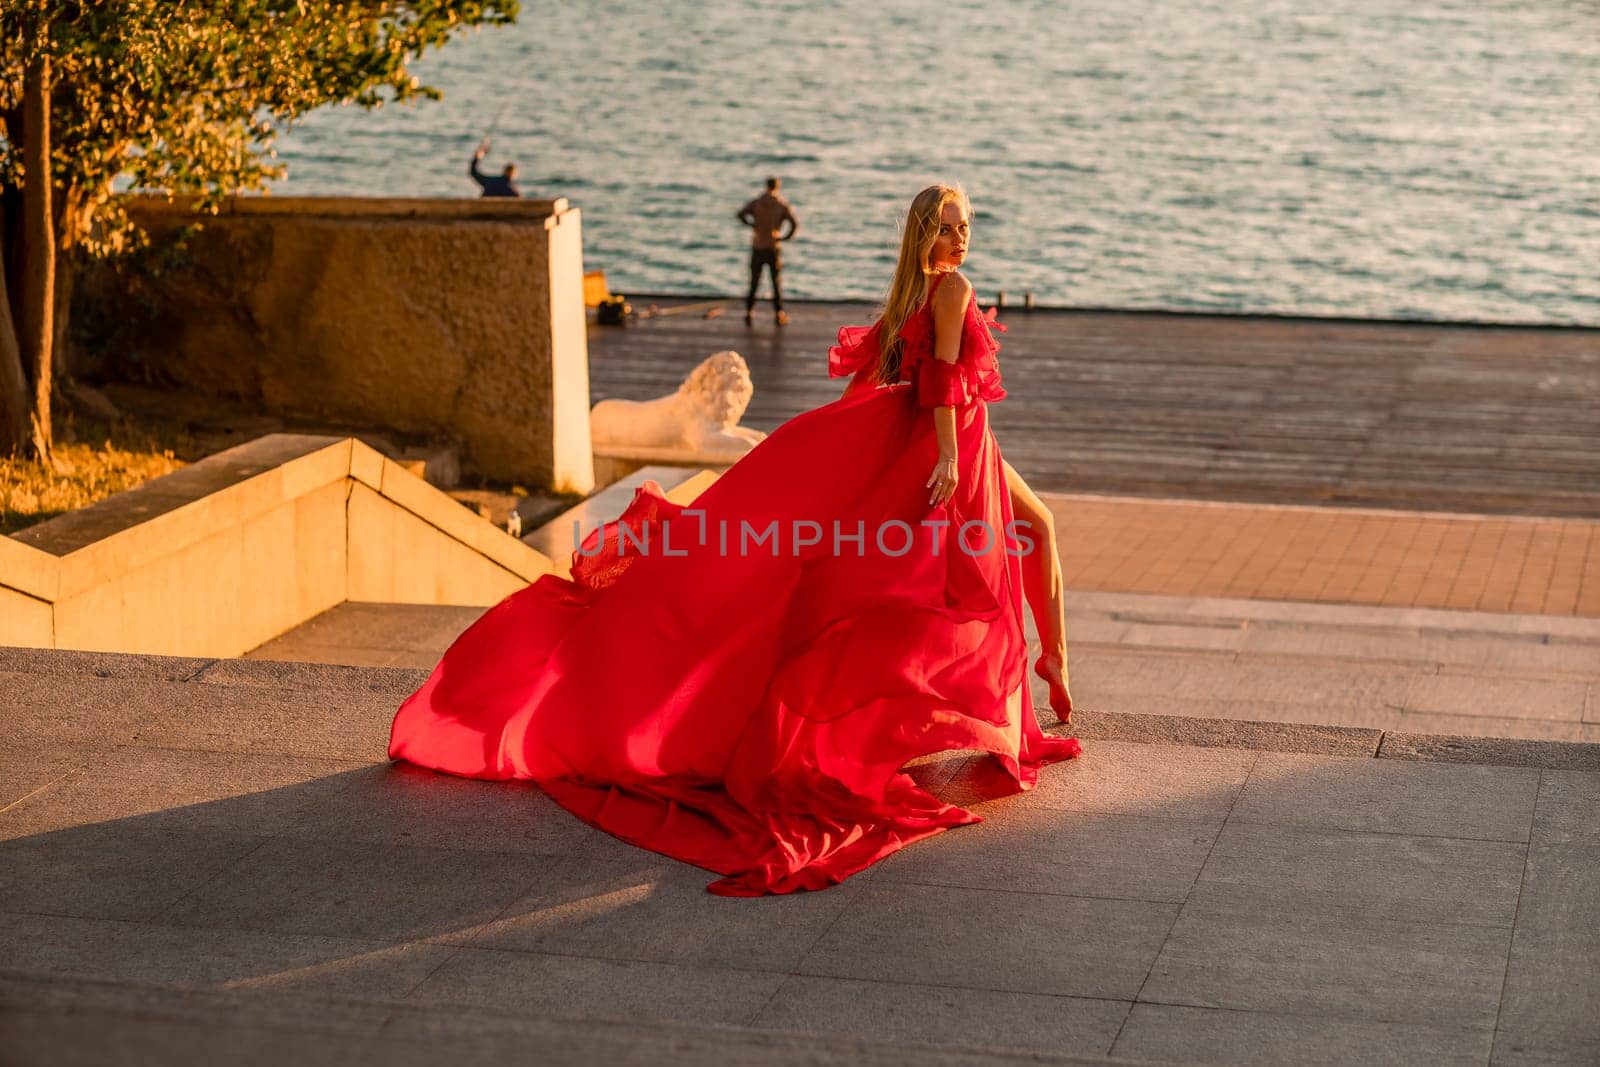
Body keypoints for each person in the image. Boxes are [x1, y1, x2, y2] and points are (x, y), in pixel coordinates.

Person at [389, 183, 1080, 897]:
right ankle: (1049, 669)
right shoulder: (951, 290)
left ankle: (1049, 668)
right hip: (950, 451)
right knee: (1003, 546)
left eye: (965, 226)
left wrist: (836, 463)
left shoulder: (909, 295)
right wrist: (944, 458)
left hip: (943, 448)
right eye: (946, 227)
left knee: (988, 548)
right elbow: (937, 384)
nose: (960, 239)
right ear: (922, 234)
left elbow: (877, 387)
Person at [737, 177, 798, 325]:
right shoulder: (781, 204)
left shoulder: (757, 202)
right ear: (778, 186)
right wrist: (785, 237)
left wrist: (753, 225)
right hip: (773, 246)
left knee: (754, 281)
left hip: (758, 245)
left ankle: (749, 312)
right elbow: (794, 223)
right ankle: (779, 313)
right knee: (775, 282)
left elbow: (741, 214)